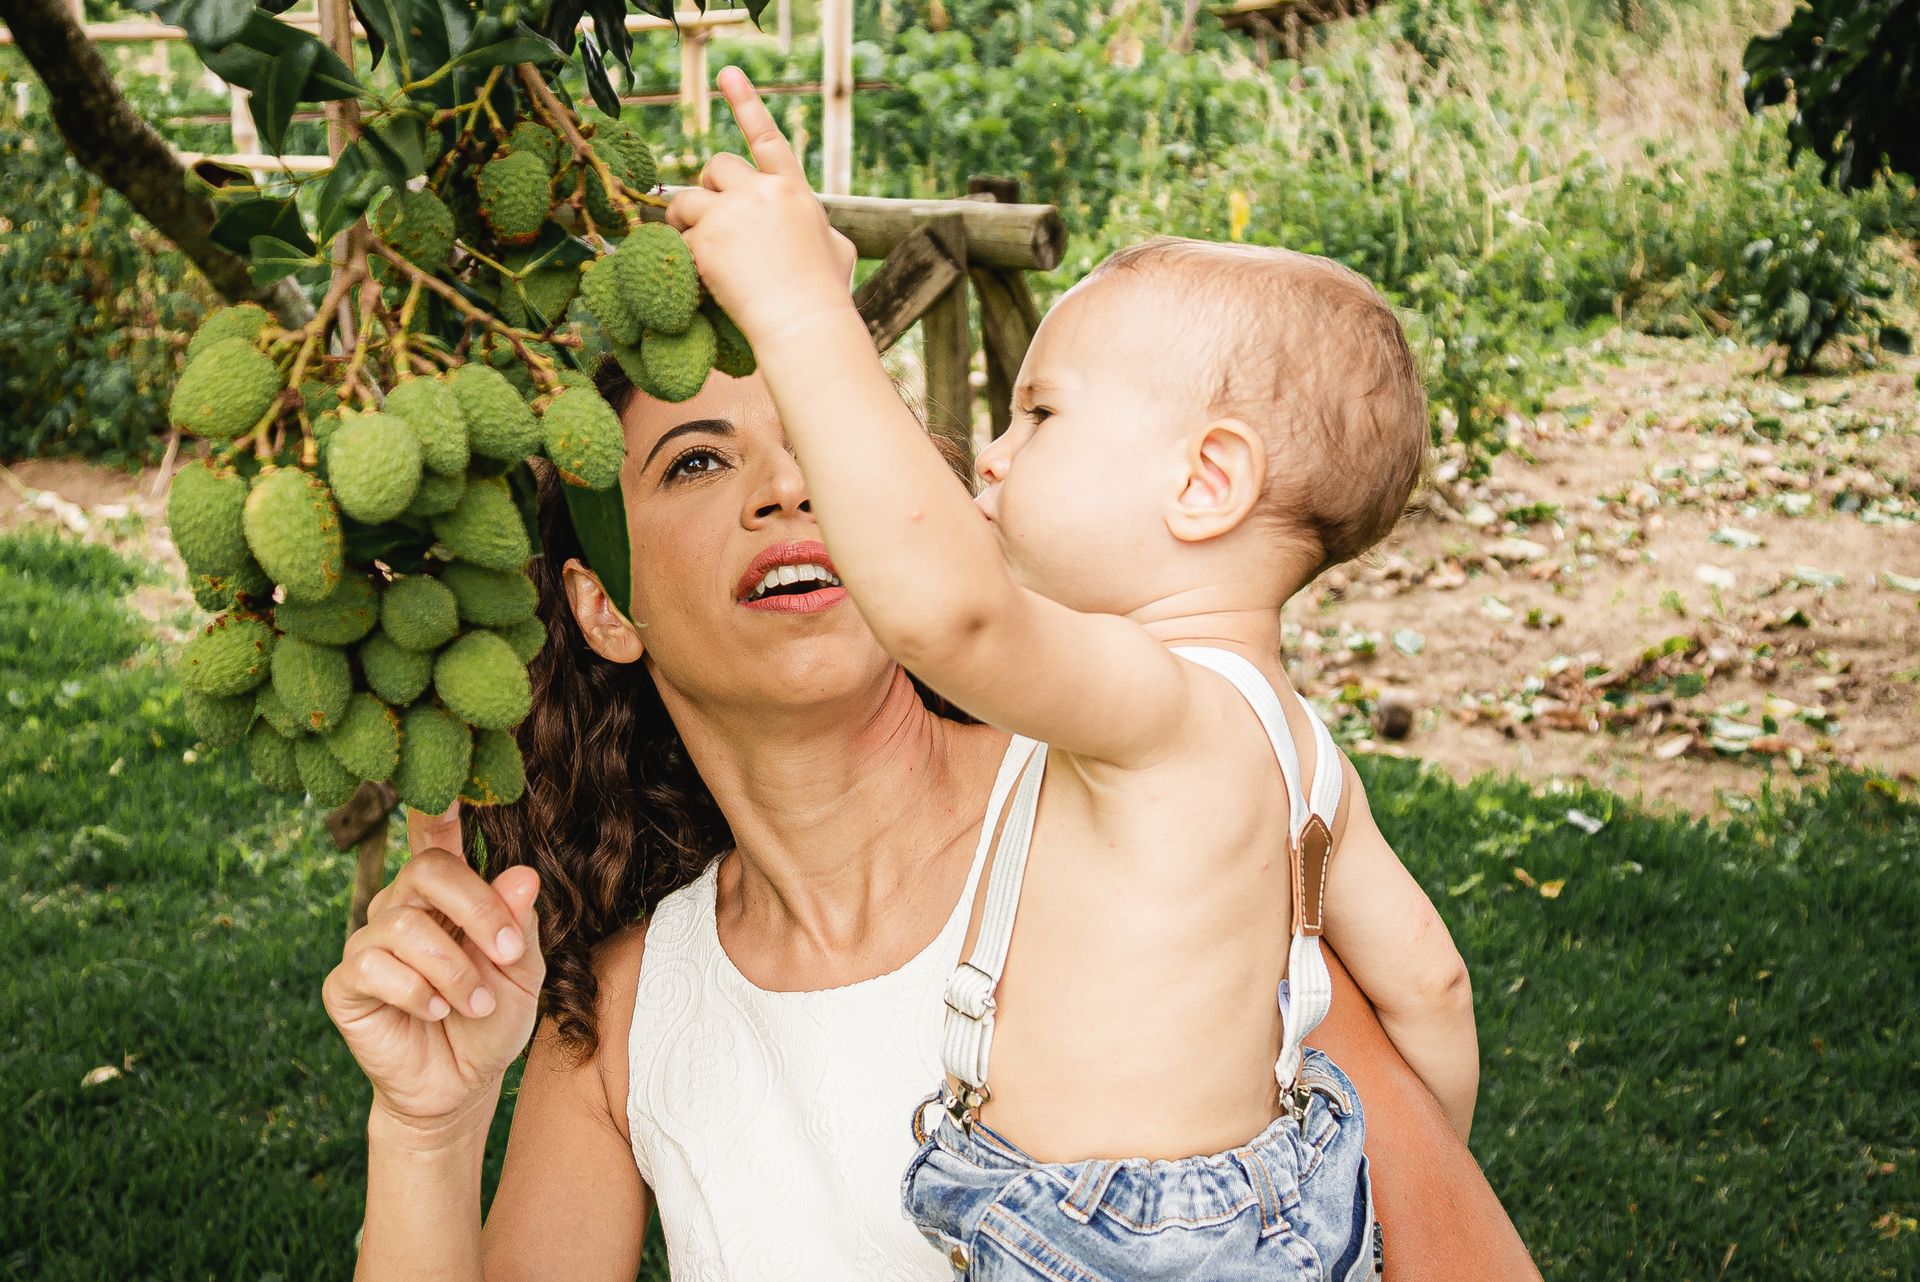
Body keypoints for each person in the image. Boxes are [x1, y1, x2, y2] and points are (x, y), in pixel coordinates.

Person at [323, 161, 1537, 1282]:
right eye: (698, 462)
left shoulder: (1141, 841)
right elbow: (1441, 993)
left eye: (825, 437)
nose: (791, 486)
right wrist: (428, 1128)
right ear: (603, 607)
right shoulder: (634, 1008)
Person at [668, 72, 1476, 1279]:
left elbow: (952, 614)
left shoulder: (1156, 709)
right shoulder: (1300, 753)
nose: (991, 456)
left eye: (1039, 414)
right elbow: (1430, 983)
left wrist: (801, 318)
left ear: (1206, 483)